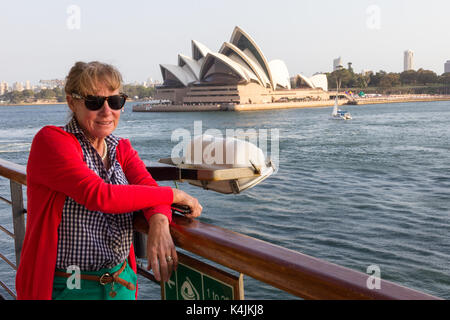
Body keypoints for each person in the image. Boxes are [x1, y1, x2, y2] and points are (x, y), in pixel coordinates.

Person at [15, 61, 202, 300]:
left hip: (120, 283)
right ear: (72, 102)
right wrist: (174, 195)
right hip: (68, 288)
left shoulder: (120, 148)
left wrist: (159, 221)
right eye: (94, 102)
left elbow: (148, 188)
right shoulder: (51, 142)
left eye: (115, 102)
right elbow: (99, 195)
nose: (107, 112)